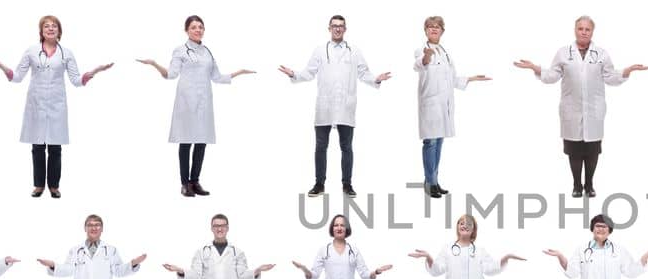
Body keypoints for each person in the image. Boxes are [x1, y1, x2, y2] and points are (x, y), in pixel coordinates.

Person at [514, 16, 648, 198]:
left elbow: (610, 77)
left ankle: (590, 184)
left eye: (587, 29)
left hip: (594, 109)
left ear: (592, 32)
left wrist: (626, 72)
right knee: (574, 150)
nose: (584, 32)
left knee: (592, 150)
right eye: (580, 28)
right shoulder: (564, 53)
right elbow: (552, 76)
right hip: (571, 108)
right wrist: (536, 68)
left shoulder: (601, 54)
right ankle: (577, 185)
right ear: (575, 30)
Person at [0, 15, 114, 199]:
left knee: (55, 148)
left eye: (54, 26)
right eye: (46, 26)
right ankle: (38, 186)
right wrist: (2, 67)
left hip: (56, 105)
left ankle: (53, 186)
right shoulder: (31, 51)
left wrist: (93, 72)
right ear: (41, 31)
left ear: (59, 31)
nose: (50, 29)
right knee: (37, 146)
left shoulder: (66, 53)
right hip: (36, 104)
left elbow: (76, 81)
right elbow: (17, 77)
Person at [136, 15, 255, 197]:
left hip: (204, 103)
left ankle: (195, 181)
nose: (198, 30)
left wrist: (239, 72)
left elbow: (217, 77)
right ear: (187, 31)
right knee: (186, 142)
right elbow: (170, 75)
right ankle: (185, 184)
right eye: (193, 27)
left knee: (201, 142)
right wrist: (154, 64)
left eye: (201, 27)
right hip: (186, 102)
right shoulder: (180, 51)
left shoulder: (207, 52)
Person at [279, 15, 392, 199]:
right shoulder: (320, 50)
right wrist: (294, 74)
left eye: (341, 26)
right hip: (325, 106)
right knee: (320, 146)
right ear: (329, 28)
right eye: (334, 26)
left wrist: (376, 79)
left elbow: (364, 73)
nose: (337, 29)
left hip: (346, 107)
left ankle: (347, 184)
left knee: (346, 147)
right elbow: (309, 73)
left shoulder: (354, 51)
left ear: (345, 29)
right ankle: (319, 184)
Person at [414, 16, 492, 198]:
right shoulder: (421, 50)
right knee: (430, 142)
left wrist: (472, 79)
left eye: (437, 27)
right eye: (430, 27)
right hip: (431, 104)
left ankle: (434, 181)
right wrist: (426, 57)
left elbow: (452, 80)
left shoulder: (445, 52)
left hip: (443, 105)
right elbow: (419, 64)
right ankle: (429, 182)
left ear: (442, 31)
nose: (434, 29)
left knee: (439, 142)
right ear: (425, 30)